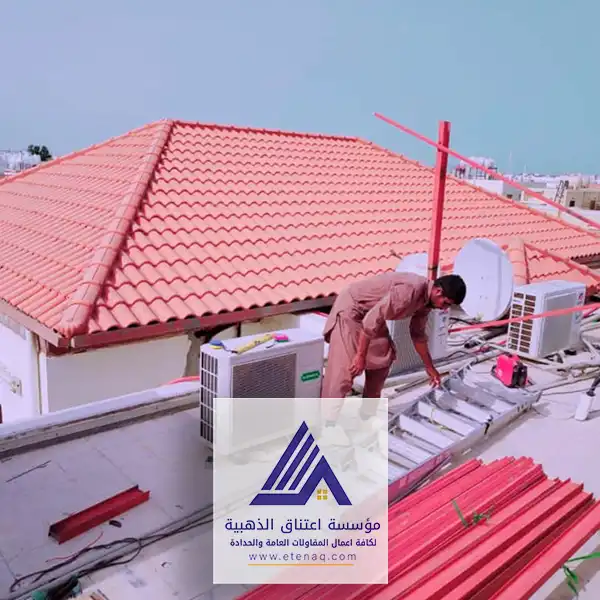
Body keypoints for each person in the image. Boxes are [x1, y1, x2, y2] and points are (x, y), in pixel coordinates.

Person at [319, 271, 466, 446]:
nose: (444, 308)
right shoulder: (409, 292)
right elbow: (370, 322)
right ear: (438, 291)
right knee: (345, 370)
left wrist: (429, 367)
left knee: (383, 360)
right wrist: (360, 356)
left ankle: (366, 417)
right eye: (446, 303)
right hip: (352, 310)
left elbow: (418, 335)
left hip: (371, 316)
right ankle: (328, 425)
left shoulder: (427, 303)